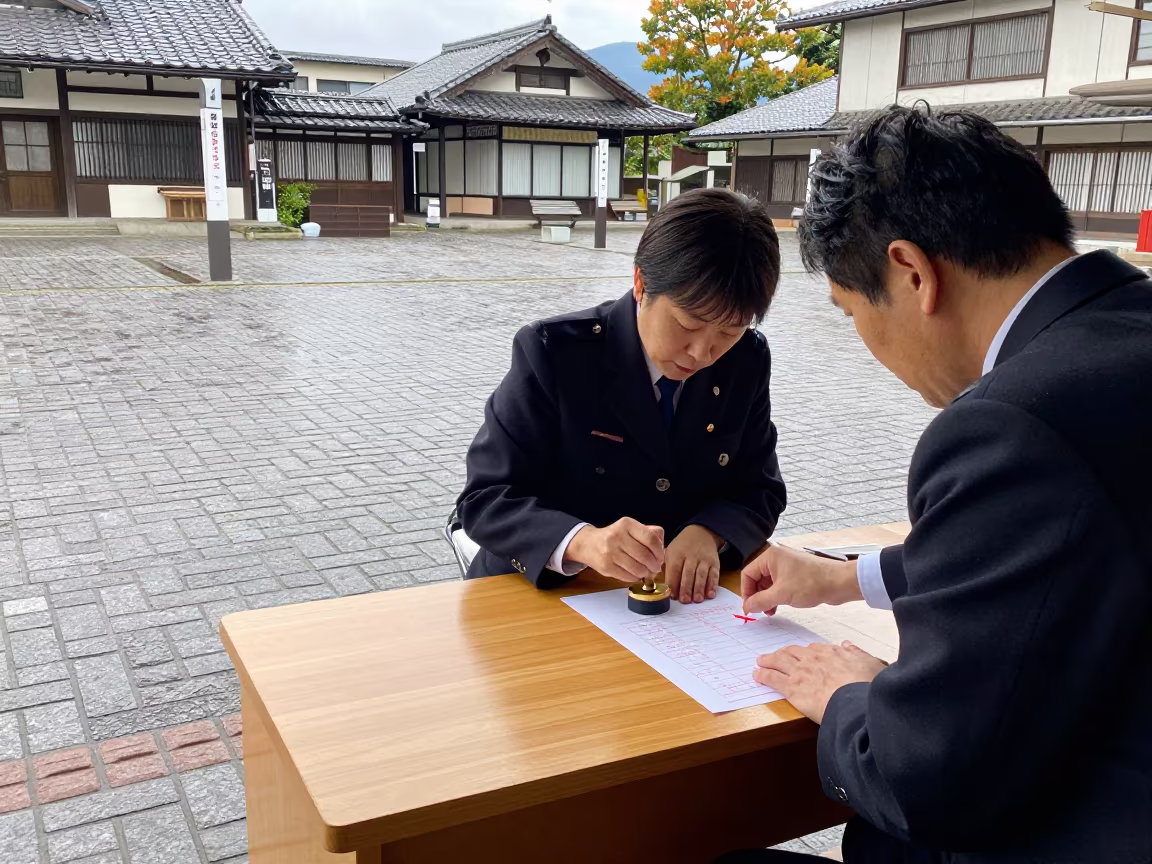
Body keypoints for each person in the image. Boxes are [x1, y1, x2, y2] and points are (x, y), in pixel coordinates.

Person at [726, 106, 1152, 863]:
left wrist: (850, 696)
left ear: (913, 273)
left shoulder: (1011, 425)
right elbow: (1079, 549)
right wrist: (844, 579)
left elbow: (925, 775)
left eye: (851, 312)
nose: (866, 345)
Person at [457, 188, 787, 601]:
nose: (703, 353)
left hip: (679, 607)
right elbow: (485, 498)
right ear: (640, 283)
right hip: (545, 595)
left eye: (729, 331)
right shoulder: (554, 352)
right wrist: (582, 541)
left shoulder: (746, 361)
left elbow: (760, 487)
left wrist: (711, 532)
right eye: (687, 324)